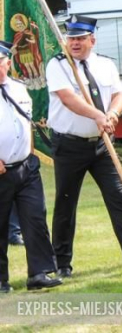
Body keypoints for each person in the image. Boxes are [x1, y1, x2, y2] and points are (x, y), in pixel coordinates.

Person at [47, 15, 122, 278]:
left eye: (80, 38)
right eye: (71, 38)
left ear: (92, 39)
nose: (74, 43)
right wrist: (97, 115)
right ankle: (61, 263)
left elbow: (119, 95)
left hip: (102, 146)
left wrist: (111, 114)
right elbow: (67, 99)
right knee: (66, 204)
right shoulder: (58, 65)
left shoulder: (105, 64)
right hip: (69, 144)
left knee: (118, 199)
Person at [0, 40, 61, 292]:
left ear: (8, 62)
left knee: (35, 219)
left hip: (25, 166)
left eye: (1, 63)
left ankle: (39, 272)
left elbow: (26, 124)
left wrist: (31, 154)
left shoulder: (19, 88)